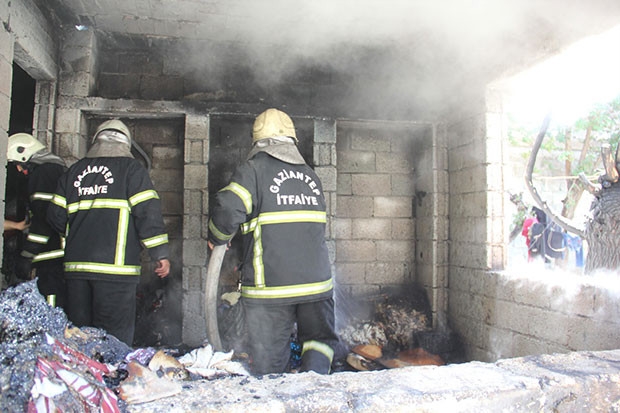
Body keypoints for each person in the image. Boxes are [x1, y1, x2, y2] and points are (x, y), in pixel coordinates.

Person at [208, 108, 339, 375]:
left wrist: (217, 237)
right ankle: (316, 388)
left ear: (257, 141)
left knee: (270, 358)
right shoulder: (311, 177)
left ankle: (275, 393)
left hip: (271, 290)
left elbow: (228, 208)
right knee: (319, 342)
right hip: (317, 286)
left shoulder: (253, 171)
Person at [47, 119, 170, 345]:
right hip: (116, 272)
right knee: (114, 340)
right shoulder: (132, 170)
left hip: (76, 270)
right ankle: (112, 367)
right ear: (126, 143)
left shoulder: (74, 171)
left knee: (79, 338)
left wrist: (78, 236)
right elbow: (148, 213)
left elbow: (55, 216)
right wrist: (159, 253)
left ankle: (83, 368)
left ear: (96, 141)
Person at [6, 133, 67, 306]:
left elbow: (43, 219)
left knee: (50, 307)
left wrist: (27, 254)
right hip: (59, 254)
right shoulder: (56, 170)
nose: (19, 170)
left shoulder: (43, 173)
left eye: (18, 164)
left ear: (25, 154)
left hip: (51, 255)